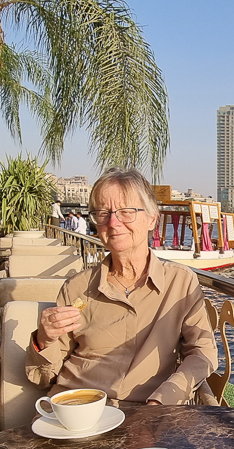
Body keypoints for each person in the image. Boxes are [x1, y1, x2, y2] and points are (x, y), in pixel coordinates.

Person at [26, 168, 218, 405]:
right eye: (103, 213)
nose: (113, 223)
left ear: (151, 219)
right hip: (75, 413)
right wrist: (44, 339)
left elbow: (202, 352)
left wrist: (164, 398)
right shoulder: (76, 288)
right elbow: (43, 379)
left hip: (144, 417)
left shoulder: (180, 283)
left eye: (126, 212)